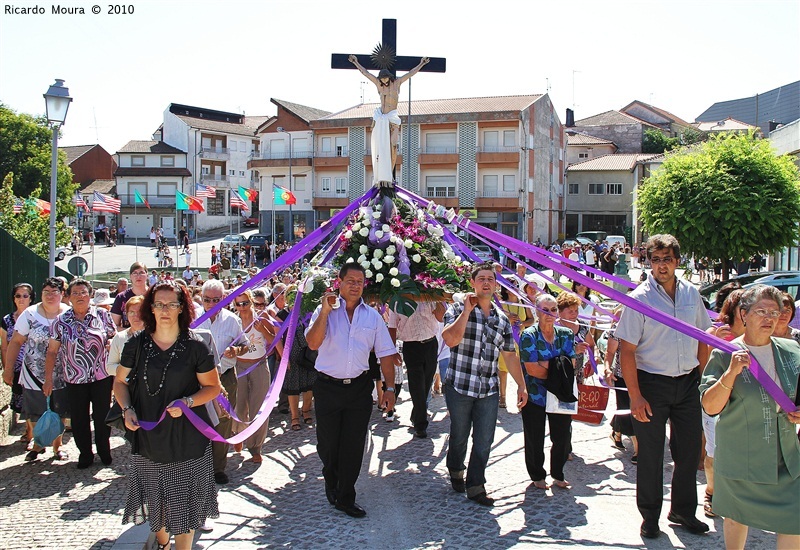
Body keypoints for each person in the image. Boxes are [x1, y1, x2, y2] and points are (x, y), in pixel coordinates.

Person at [615, 234, 712, 539]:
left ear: (677, 261)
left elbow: (703, 337)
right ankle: (650, 516)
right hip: (652, 384)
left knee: (688, 452)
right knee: (651, 455)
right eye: (655, 259)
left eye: (666, 259)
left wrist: (701, 378)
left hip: (687, 384)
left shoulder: (692, 295)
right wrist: (635, 396)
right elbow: (626, 350)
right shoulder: (640, 298)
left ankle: (683, 511)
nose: (661, 266)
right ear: (649, 262)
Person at [115, 281, 222, 550]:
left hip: (187, 435)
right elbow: (120, 383)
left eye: (171, 304)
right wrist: (127, 409)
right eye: (159, 304)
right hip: (149, 435)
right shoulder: (137, 345)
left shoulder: (196, 346)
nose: (165, 310)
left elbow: (213, 388)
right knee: (157, 506)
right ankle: (163, 544)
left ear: (181, 308)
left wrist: (187, 401)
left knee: (184, 506)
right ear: (150, 308)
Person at [700, 284, 800, 549]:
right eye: (761, 311)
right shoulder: (724, 353)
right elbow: (710, 406)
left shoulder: (792, 351)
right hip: (740, 456)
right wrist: (730, 373)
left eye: (774, 312)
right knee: (736, 519)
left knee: (795, 519)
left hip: (785, 455)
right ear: (744, 314)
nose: (769, 318)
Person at [305, 263, 400, 518]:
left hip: (359, 388)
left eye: (360, 281)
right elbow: (312, 342)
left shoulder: (372, 317)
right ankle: (331, 477)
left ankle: (346, 495)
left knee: (353, 444)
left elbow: (386, 354)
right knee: (328, 444)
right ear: (340, 281)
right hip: (327, 387)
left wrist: (389, 388)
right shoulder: (323, 311)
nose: (356, 285)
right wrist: (325, 311)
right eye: (351, 280)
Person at [442, 263, 528, 506]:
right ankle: (456, 469)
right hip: (459, 385)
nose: (486, 283)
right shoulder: (458, 308)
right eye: (481, 279)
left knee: (484, 439)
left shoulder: (501, 319)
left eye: (490, 278)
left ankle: (476, 485)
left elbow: (510, 354)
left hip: (488, 389)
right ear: (473, 283)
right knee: (459, 435)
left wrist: (521, 386)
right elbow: (450, 339)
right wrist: (467, 312)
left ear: (496, 284)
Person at [44, 279, 116, 468]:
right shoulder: (61, 321)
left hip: (101, 375)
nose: (79, 296)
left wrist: (111, 345)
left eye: (83, 292)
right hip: (74, 377)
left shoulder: (102, 315)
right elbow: (52, 351)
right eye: (75, 293)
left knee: (102, 416)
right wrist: (48, 379)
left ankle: (104, 450)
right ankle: (85, 453)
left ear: (90, 295)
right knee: (79, 418)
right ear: (68, 297)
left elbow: (115, 340)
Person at [518, 293, 580, 490]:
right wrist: (558, 368)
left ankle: (558, 474)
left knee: (562, 437)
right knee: (534, 437)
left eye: (553, 310)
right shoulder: (528, 335)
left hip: (560, 394)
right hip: (535, 394)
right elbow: (531, 368)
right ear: (537, 311)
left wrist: (548, 365)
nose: (550, 314)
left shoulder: (566, 334)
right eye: (545, 310)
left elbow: (571, 363)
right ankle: (537, 474)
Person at [4, 278, 69, 461]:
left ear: (62, 294)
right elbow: (16, 342)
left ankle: (58, 446)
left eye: (54, 292)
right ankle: (39, 443)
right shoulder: (30, 314)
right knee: (34, 412)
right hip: (33, 372)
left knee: (59, 411)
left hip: (62, 373)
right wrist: (8, 369)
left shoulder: (68, 314)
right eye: (46, 291)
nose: (50, 295)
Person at [347, 53, 430, 185]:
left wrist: (421, 64)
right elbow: (366, 73)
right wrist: (355, 63)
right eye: (382, 78)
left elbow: (410, 74)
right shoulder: (379, 86)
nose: (384, 80)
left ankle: (390, 175)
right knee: (380, 149)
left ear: (389, 77)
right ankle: (380, 175)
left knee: (393, 145)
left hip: (392, 118)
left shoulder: (396, 83)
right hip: (381, 119)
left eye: (385, 78)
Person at [196, 279, 245, 485]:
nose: (211, 304)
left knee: (223, 421)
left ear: (223, 299)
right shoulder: (192, 318)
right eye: (207, 300)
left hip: (225, 377)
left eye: (215, 300)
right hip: (197, 380)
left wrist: (236, 350)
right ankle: (197, 466)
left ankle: (218, 468)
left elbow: (246, 345)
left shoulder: (232, 320)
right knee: (197, 420)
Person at [702, 289, 745, 518]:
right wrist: (714, 343)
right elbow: (702, 368)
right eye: (744, 307)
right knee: (715, 453)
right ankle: (711, 492)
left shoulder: (758, 335)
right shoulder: (716, 332)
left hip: (745, 402)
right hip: (717, 400)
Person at [232, 289, 281, 463]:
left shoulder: (261, 317)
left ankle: (255, 447)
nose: (242, 307)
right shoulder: (234, 321)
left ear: (251, 301)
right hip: (238, 366)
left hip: (259, 365)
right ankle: (238, 435)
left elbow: (274, 339)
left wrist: (263, 330)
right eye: (238, 304)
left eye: (245, 303)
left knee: (258, 406)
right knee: (239, 405)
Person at [387, 301, 446, 438]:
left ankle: (416, 414)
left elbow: (440, 317)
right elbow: (392, 326)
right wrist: (392, 351)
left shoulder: (428, 296)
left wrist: (439, 300)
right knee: (416, 384)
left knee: (426, 384)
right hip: (411, 346)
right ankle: (421, 425)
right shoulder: (397, 300)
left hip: (430, 344)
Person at [603, 306, 638, 463]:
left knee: (635, 409)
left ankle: (616, 431)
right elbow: (610, 353)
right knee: (627, 409)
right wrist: (607, 369)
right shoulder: (618, 329)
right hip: (623, 376)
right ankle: (639, 449)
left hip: (645, 376)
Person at [1, 283, 35, 442]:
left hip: (34, 368)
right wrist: (7, 368)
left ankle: (30, 433)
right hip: (16, 368)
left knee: (32, 402)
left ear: (31, 298)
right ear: (13, 299)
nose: (21, 299)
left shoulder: (36, 318)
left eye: (25, 295)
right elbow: (5, 347)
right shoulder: (7, 321)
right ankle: (29, 432)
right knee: (21, 402)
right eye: (18, 296)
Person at [107, 296, 145, 376]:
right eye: (131, 312)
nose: (136, 316)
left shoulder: (157, 336)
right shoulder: (119, 337)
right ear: (126, 315)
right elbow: (110, 367)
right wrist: (129, 371)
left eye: (140, 312)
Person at [111, 263, 150, 330]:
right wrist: (132, 333)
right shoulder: (121, 297)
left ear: (147, 275)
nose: (138, 276)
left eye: (141, 273)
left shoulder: (154, 295)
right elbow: (114, 325)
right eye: (135, 273)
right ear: (130, 276)